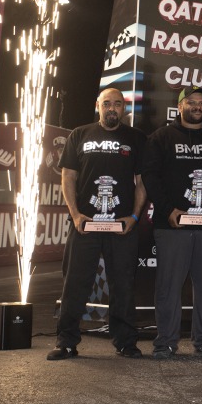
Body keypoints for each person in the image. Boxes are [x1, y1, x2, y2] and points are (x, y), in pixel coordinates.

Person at [48, 88, 147, 361]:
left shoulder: (136, 138)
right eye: (107, 104)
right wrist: (76, 214)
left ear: (124, 108)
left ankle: (126, 342)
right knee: (75, 284)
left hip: (121, 227)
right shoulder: (79, 134)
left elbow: (142, 182)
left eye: (117, 104)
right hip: (85, 225)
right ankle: (66, 341)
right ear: (98, 106)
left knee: (123, 285)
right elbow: (67, 177)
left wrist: (135, 216)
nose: (112, 108)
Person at [142, 87, 202, 359]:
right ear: (179, 105)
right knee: (168, 286)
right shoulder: (161, 137)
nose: (197, 107)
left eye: (201, 103)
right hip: (173, 226)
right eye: (191, 102)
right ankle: (166, 342)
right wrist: (168, 209)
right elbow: (150, 176)